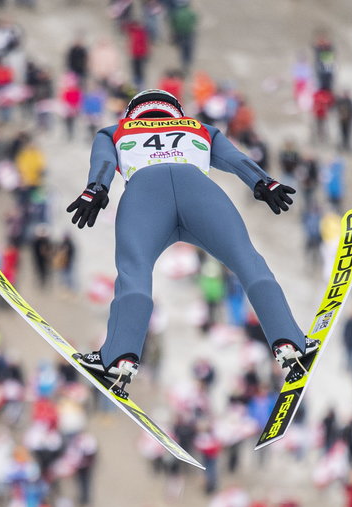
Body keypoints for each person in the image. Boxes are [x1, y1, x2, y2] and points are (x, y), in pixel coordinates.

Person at [66, 89, 306, 395]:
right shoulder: (199, 127)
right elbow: (237, 159)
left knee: (134, 273)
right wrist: (264, 182)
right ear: (175, 111)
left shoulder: (114, 131)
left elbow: (102, 163)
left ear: (132, 113)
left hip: (144, 195)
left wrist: (95, 189)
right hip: (200, 193)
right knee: (248, 261)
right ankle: (289, 341)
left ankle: (118, 357)